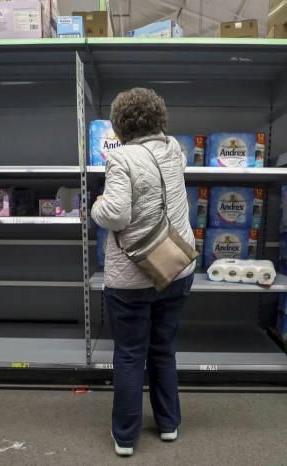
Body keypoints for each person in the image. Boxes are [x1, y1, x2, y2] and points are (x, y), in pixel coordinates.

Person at [91, 88, 195, 457]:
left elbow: (116, 214)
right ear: (159, 119)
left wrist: (96, 206)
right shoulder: (174, 151)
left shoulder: (121, 159)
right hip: (177, 268)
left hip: (131, 279)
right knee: (164, 349)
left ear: (119, 125)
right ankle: (168, 425)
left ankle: (125, 437)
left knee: (130, 354)